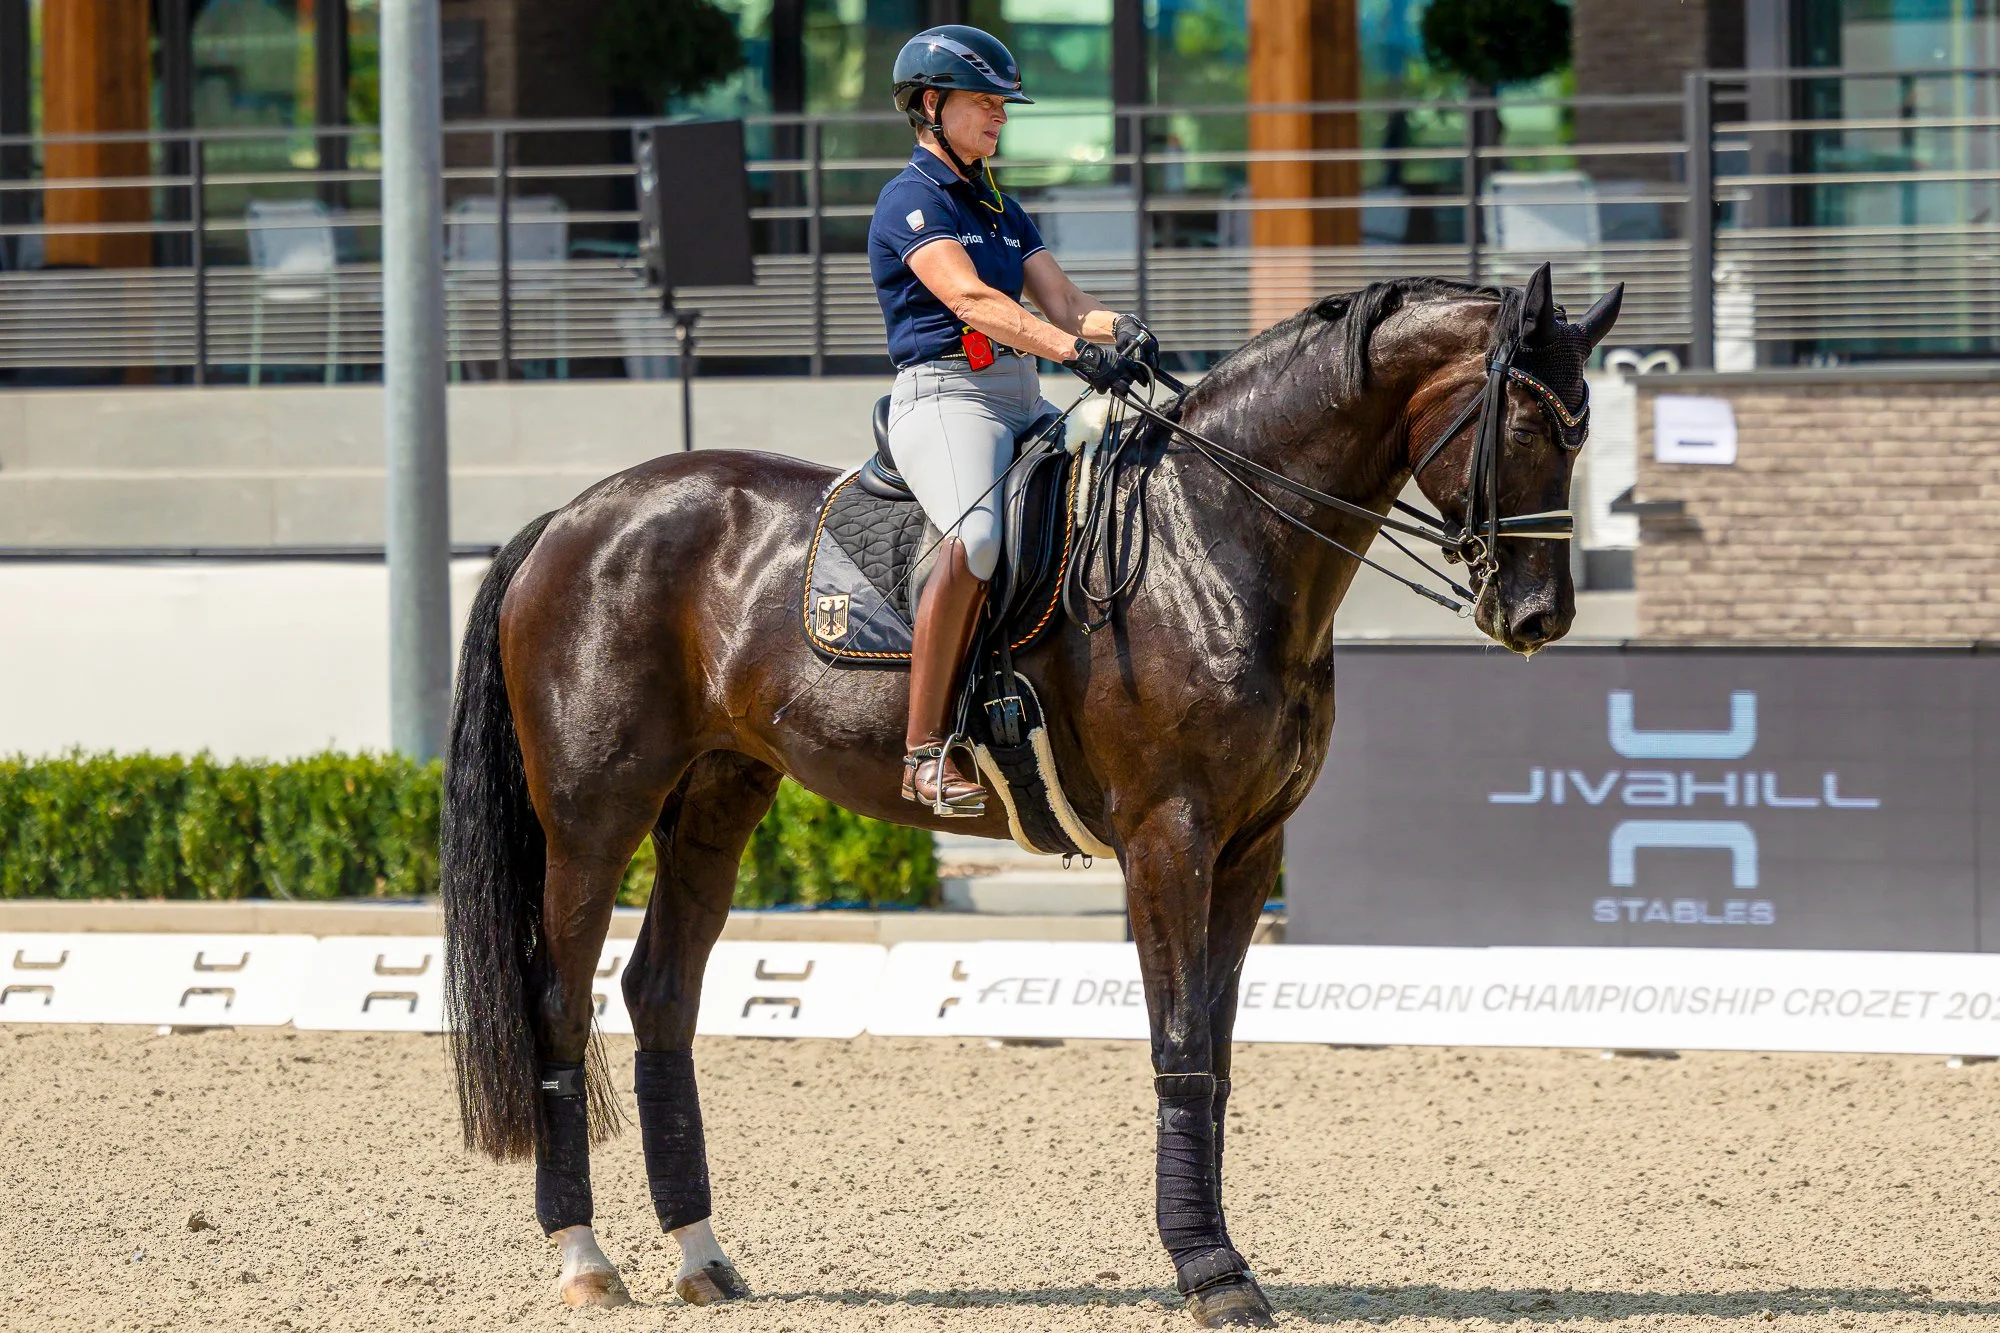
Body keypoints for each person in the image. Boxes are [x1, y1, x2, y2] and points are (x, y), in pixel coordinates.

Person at [868, 24, 1158, 817]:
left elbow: (1064, 300)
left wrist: (1120, 330)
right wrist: (1072, 349)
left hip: (1021, 398)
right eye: (984, 102)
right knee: (980, 538)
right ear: (931, 106)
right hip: (946, 399)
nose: (1000, 116)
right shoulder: (910, 201)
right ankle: (924, 750)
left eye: (1003, 105)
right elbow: (972, 301)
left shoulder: (1001, 204)